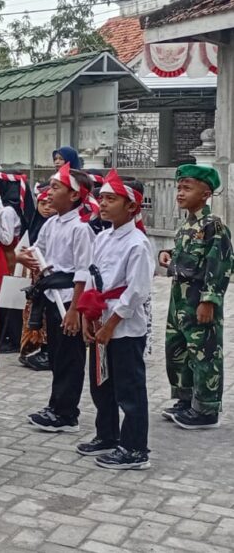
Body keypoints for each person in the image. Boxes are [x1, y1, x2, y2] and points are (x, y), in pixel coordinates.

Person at [76, 171, 154, 469]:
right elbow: (94, 277)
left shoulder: (137, 243)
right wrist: (89, 315)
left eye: (111, 199)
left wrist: (111, 324)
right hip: (100, 317)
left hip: (124, 326)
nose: (103, 204)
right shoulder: (104, 236)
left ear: (132, 206)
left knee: (129, 387)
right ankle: (107, 434)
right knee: (101, 383)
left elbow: (136, 291)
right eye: (101, 198)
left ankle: (135, 449)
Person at [18, 164, 95, 433]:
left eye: (55, 188)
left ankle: (67, 413)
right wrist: (22, 256)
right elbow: (37, 251)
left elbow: (83, 272)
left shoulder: (80, 229)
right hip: (52, 296)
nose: (48, 193)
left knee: (71, 357)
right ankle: (56, 405)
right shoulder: (52, 223)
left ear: (74, 195)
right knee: (58, 355)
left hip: (68, 299)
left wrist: (75, 309)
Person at [160, 164, 232, 429]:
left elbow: (220, 265)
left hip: (197, 300)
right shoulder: (187, 225)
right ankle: (185, 399)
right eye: (179, 187)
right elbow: (187, 256)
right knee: (178, 350)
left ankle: (206, 410)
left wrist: (208, 301)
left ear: (206, 193)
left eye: (187, 188)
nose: (180, 193)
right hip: (178, 300)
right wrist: (166, 254)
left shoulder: (215, 227)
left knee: (204, 353)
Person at [0, 171, 35, 354]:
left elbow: (7, 238)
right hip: (11, 255)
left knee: (7, 298)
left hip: (8, 256)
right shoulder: (14, 208)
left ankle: (13, 339)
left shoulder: (8, 211)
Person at [19, 183, 55, 371]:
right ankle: (31, 347)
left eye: (50, 204)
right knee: (32, 314)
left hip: (49, 280)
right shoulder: (35, 226)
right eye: (43, 204)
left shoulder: (54, 227)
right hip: (35, 281)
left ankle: (47, 350)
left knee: (46, 316)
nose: (47, 208)